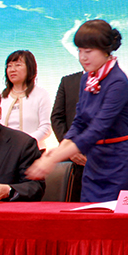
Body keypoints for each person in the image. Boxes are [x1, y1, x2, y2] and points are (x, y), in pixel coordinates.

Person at [27, 20, 128, 202]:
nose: (82, 57)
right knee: (88, 213)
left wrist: (54, 158)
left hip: (119, 163)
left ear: (105, 50)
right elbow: (80, 121)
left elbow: (97, 129)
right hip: (94, 162)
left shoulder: (118, 82)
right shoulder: (87, 79)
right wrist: (61, 148)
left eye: (88, 51)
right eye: (79, 51)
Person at [0, 50, 52, 150]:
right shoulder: (1, 96)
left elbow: (46, 128)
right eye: (9, 66)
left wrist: (25, 143)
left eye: (18, 65)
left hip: (33, 150)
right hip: (5, 151)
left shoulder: (41, 94)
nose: (12, 69)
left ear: (30, 68)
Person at [50, 70, 85, 201]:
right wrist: (69, 149)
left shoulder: (115, 81)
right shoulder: (68, 81)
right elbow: (57, 117)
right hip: (73, 161)